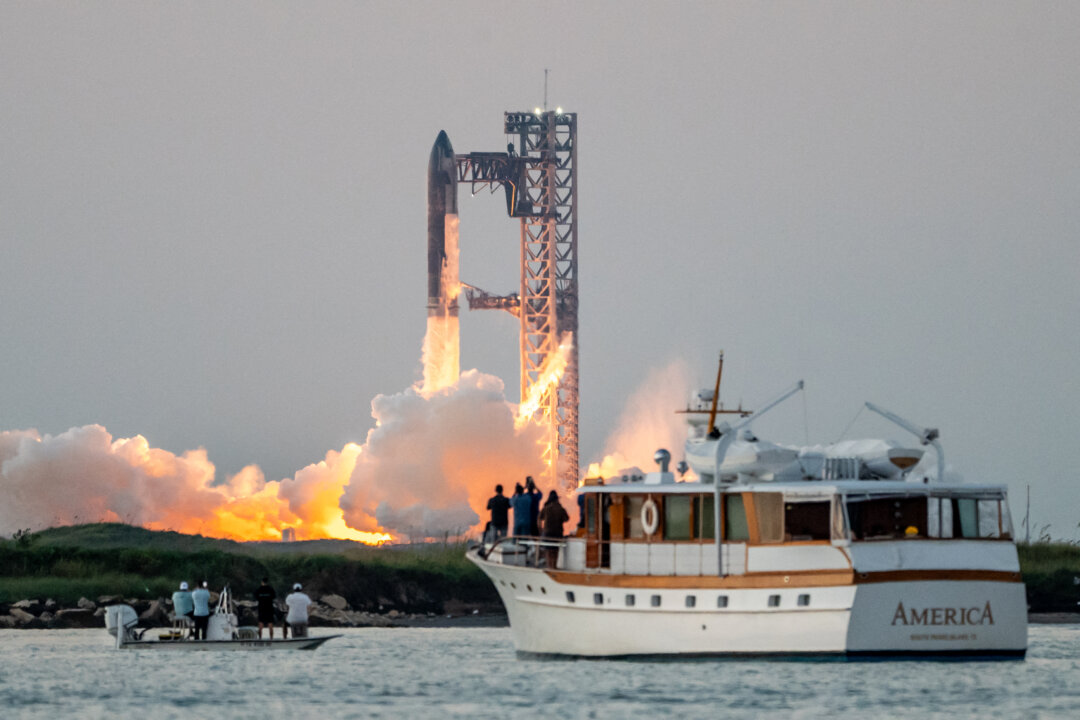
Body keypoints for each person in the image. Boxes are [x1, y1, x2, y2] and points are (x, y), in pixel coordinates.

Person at [539, 490, 570, 567]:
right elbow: (566, 519)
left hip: (547, 533)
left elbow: (540, 518)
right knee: (555, 550)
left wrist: (540, 529)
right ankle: (554, 566)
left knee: (548, 551)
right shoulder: (560, 508)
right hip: (558, 533)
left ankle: (549, 566)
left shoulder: (546, 508)